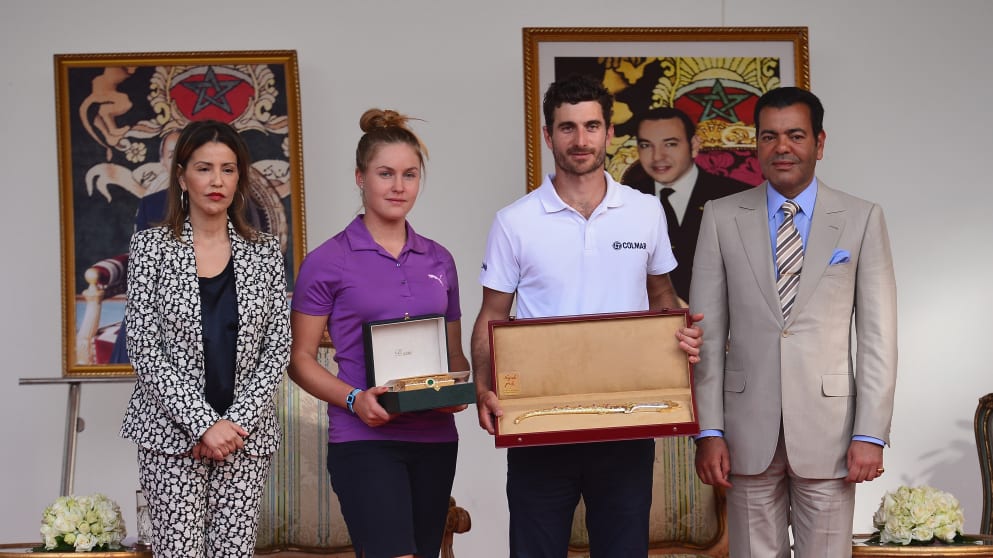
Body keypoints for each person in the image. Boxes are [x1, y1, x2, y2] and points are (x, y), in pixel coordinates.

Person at [471, 74, 702, 558]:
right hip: (536, 421)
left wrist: (684, 335)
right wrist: (483, 388)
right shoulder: (515, 221)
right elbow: (492, 314)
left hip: (628, 420)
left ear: (609, 133)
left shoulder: (643, 212)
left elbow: (663, 297)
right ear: (548, 134)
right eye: (568, 127)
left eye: (592, 126)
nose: (581, 140)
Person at [690, 87, 897, 557]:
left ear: (819, 144)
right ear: (756, 146)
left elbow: (878, 338)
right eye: (770, 136)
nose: (782, 147)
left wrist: (870, 432)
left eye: (795, 136)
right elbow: (707, 335)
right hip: (745, 436)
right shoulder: (722, 218)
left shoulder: (862, 219)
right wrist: (710, 431)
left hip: (832, 436)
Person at [288, 109, 470, 558]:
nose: (398, 186)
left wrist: (457, 389)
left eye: (409, 175)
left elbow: (455, 355)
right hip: (365, 439)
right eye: (385, 173)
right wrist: (354, 399)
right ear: (360, 177)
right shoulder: (327, 261)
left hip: (436, 438)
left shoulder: (439, 260)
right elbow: (299, 360)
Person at [120, 119, 291, 558]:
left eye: (228, 169)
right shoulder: (150, 249)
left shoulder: (265, 253)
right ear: (181, 176)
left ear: (240, 177)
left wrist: (231, 426)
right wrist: (202, 423)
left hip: (244, 438)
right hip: (169, 438)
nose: (217, 180)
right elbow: (143, 345)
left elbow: (277, 348)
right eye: (204, 168)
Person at [622, 107, 751, 302]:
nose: (657, 157)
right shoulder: (625, 200)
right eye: (646, 145)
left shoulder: (737, 196)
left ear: (694, 145)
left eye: (670, 144)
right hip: (649, 322)